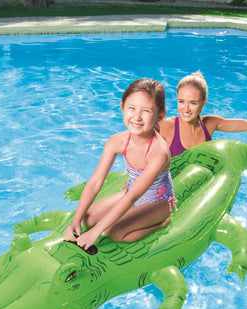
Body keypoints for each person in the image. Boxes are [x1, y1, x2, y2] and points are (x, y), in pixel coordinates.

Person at [64, 78, 176, 250]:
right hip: (131, 192)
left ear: (160, 115)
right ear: (122, 107)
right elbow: (95, 182)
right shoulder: (117, 141)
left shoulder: (158, 152)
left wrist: (97, 232)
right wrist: (75, 221)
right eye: (132, 108)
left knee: (114, 232)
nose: (137, 117)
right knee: (88, 218)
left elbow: (133, 197)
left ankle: (161, 224)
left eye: (146, 111)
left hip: (158, 203)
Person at [159, 71, 247, 157]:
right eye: (181, 101)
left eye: (193, 103)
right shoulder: (167, 126)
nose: (186, 109)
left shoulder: (210, 124)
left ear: (203, 102)